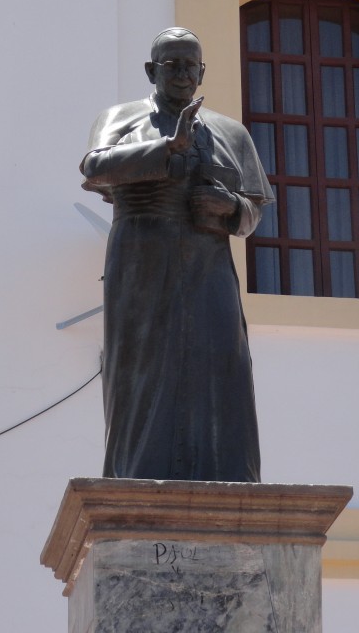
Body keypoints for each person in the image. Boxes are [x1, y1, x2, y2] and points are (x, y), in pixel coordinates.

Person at [80, 28, 274, 482]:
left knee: (223, 366)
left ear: (203, 71)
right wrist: (168, 150)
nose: (184, 73)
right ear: (152, 70)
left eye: (192, 65)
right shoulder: (122, 117)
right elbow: (94, 166)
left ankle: (229, 481)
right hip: (142, 260)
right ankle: (138, 478)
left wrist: (230, 208)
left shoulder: (231, 132)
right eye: (173, 65)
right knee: (142, 374)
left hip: (208, 266)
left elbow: (253, 211)